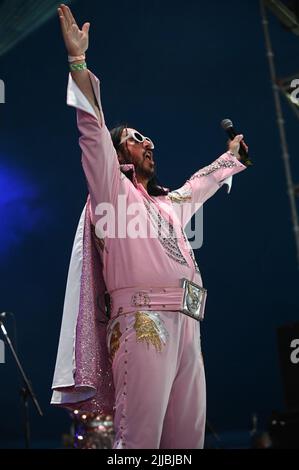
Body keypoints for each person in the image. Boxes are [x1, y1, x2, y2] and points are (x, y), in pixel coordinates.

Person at [51, 4, 248, 449]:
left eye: (148, 137)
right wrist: (78, 63)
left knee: (187, 443)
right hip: (143, 321)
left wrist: (232, 157)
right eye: (136, 137)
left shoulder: (166, 205)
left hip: (188, 323)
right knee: (139, 441)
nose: (148, 142)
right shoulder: (111, 193)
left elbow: (198, 186)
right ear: (119, 155)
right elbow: (93, 132)